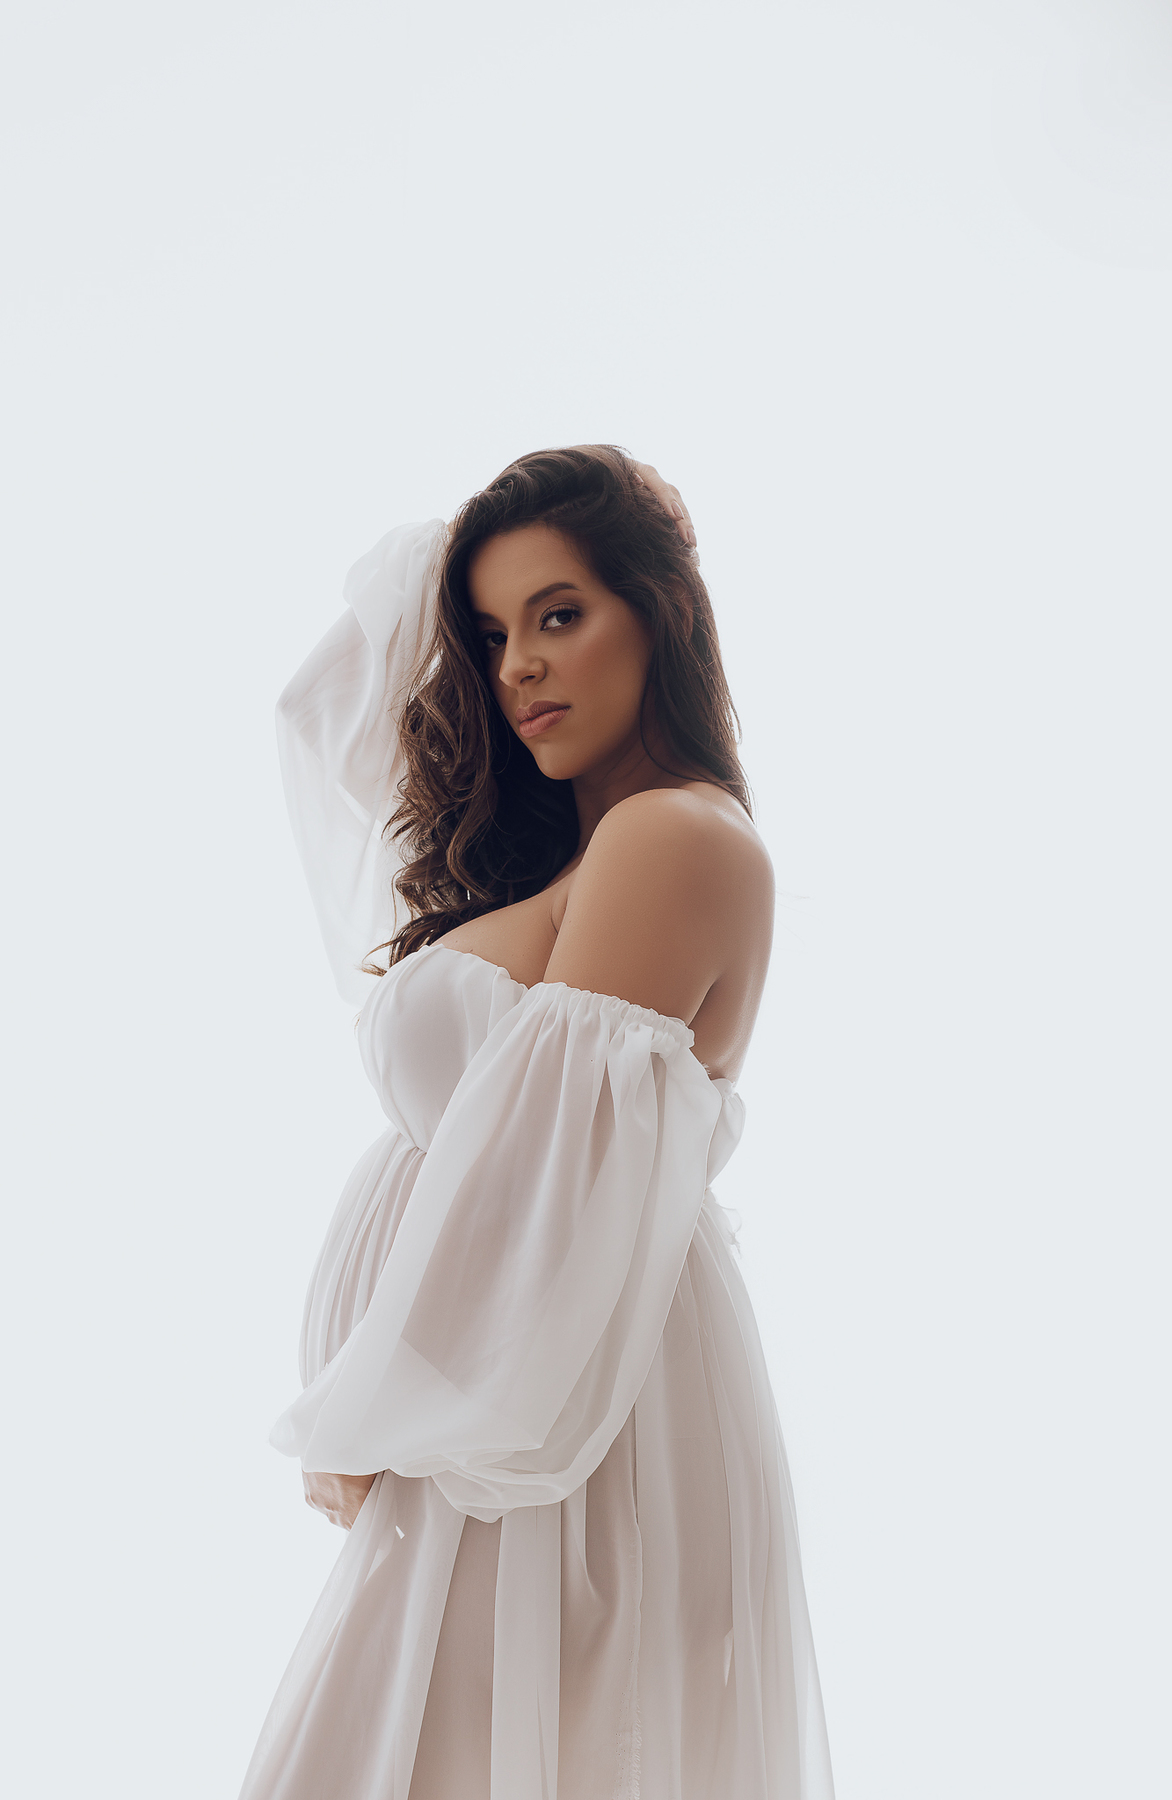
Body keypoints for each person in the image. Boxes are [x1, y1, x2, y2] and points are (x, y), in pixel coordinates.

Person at [239, 446, 836, 1800]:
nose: (518, 668)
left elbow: (545, 1179)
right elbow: (318, 712)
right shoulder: (584, 856)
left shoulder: (672, 838)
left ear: (661, 613)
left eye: (560, 614)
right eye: (492, 633)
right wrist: (472, 549)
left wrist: (378, 1402)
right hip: (506, 1392)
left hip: (557, 1405)